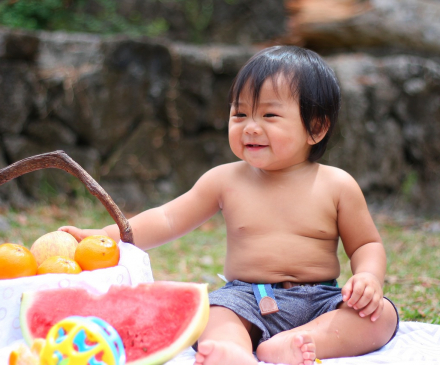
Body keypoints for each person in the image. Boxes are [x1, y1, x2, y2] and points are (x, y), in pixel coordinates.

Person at [60, 45, 399, 365]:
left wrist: (369, 277)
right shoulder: (225, 180)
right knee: (213, 313)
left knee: (379, 316)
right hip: (245, 298)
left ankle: (299, 342)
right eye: (240, 114)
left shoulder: (337, 184)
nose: (250, 127)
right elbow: (166, 219)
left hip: (320, 301)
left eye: (269, 114)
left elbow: (366, 244)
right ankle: (231, 349)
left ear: (315, 127)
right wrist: (104, 237)